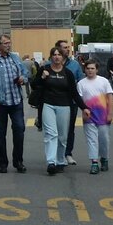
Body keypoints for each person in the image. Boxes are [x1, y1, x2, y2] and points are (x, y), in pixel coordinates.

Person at [32, 48, 87, 176]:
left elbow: (74, 93)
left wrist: (84, 107)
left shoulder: (68, 73)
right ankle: (51, 162)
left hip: (64, 106)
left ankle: (60, 160)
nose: (56, 57)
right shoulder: (45, 69)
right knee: (51, 134)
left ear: (63, 58)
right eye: (54, 55)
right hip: (48, 105)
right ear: (51, 57)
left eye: (59, 55)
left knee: (62, 136)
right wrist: (42, 77)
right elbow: (34, 85)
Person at [0, 34, 28, 174]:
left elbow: (25, 73)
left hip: (16, 101)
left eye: (9, 42)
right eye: (6, 43)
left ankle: (18, 161)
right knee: (0, 134)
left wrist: (23, 79)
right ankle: (2, 163)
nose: (9, 45)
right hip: (0, 103)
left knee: (19, 130)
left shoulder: (15, 58)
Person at [78, 60, 113, 175]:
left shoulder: (103, 81)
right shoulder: (81, 83)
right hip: (89, 115)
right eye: (88, 68)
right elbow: (80, 100)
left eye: (92, 68)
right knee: (91, 140)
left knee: (103, 139)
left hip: (103, 115)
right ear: (85, 70)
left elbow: (110, 97)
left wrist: (110, 113)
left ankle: (104, 159)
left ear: (97, 70)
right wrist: (83, 111)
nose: (90, 70)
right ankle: (94, 162)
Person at [54, 39, 84, 164]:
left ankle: (67, 153)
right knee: (55, 129)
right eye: (64, 47)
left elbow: (81, 81)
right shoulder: (50, 64)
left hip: (71, 101)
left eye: (67, 47)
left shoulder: (75, 64)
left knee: (69, 129)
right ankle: (56, 154)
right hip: (55, 101)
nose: (67, 49)